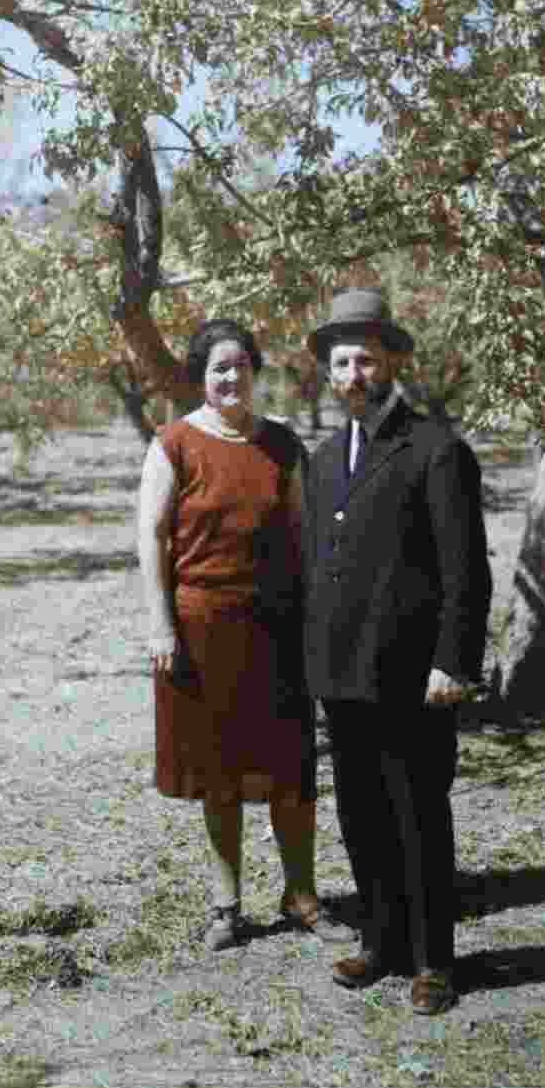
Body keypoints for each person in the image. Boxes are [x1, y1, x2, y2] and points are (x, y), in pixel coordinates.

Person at [302, 288, 491, 1015]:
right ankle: (382, 942)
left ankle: (433, 961)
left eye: (367, 359)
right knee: (360, 814)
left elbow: (465, 569)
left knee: (418, 815)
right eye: (341, 361)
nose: (353, 373)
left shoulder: (437, 450)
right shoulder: (321, 462)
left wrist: (455, 658)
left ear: (395, 362)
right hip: (341, 675)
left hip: (413, 676)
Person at [138, 319, 351, 952]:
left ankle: (301, 895)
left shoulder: (284, 447)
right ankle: (226, 904)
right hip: (201, 631)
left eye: (240, 366)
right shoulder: (173, 445)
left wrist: (320, 620)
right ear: (202, 378)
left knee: (291, 769)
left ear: (257, 372)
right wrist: (160, 623)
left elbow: (308, 536)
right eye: (218, 368)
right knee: (217, 772)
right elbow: (150, 538)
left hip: (278, 630)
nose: (231, 378)